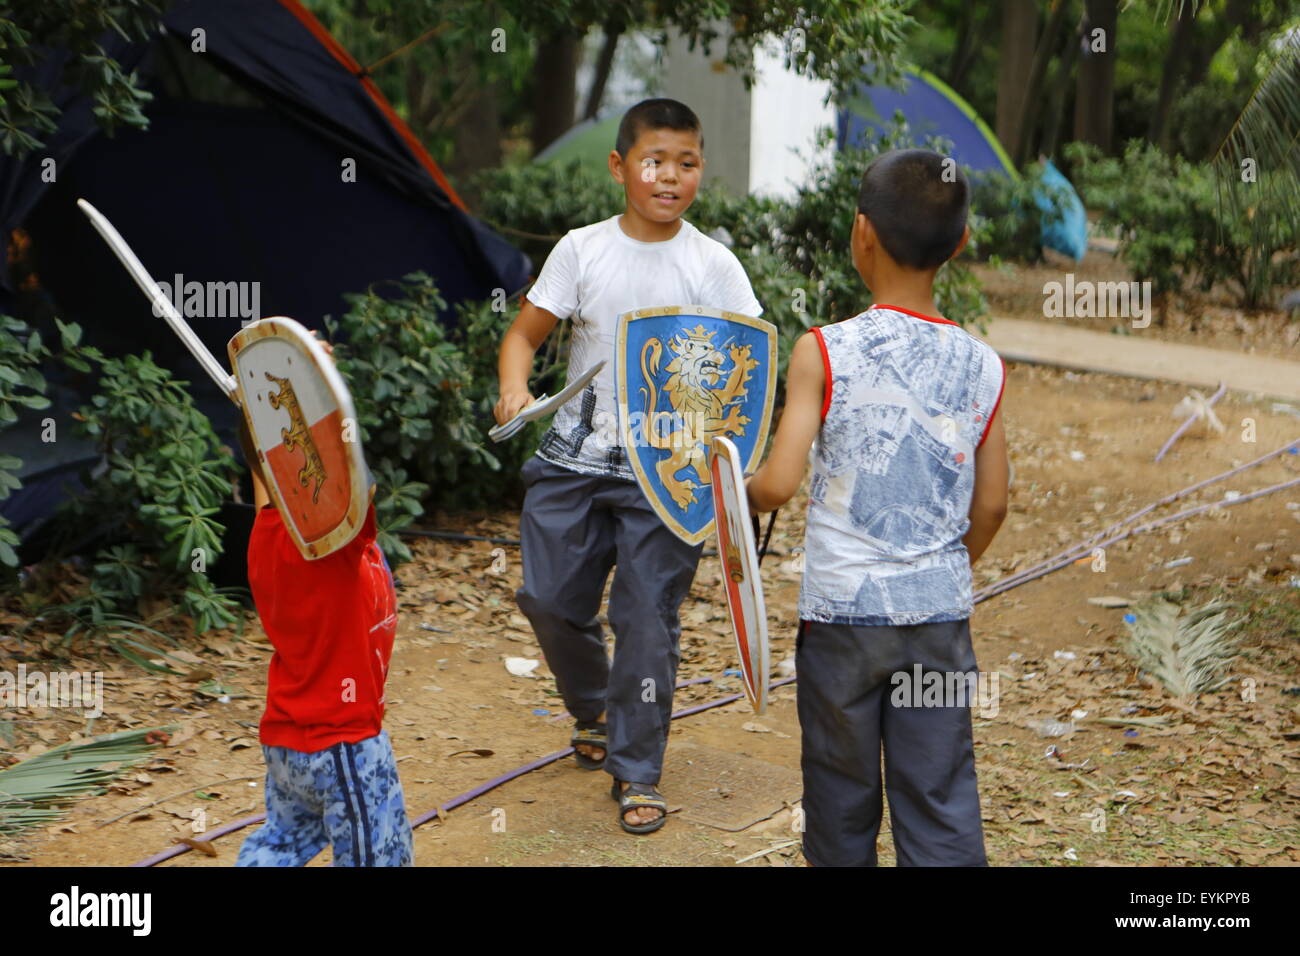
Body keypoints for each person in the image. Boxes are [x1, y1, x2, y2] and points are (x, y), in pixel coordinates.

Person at [494, 98, 763, 834]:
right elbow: (523, 337)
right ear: (620, 167)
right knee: (548, 599)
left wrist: (726, 463)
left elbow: (748, 367)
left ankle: (637, 769)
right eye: (654, 161)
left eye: (686, 162)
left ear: (700, 169)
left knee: (647, 616)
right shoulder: (582, 250)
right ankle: (594, 707)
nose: (670, 177)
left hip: (669, 470)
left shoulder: (714, 265)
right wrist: (514, 387)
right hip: (576, 456)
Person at [745, 149, 1009, 866]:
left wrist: (733, 490)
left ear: (861, 233)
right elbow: (992, 504)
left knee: (839, 793)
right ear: (958, 244)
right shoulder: (983, 364)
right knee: (940, 794)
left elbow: (776, 485)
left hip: (842, 624)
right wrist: (941, 569)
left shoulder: (822, 351)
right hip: (937, 621)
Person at [235, 337, 413, 866]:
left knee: (282, 843)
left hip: (287, 742)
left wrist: (280, 389)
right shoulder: (332, 541)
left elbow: (267, 463)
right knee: (380, 856)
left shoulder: (266, 529)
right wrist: (317, 387)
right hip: (344, 746)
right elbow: (334, 468)